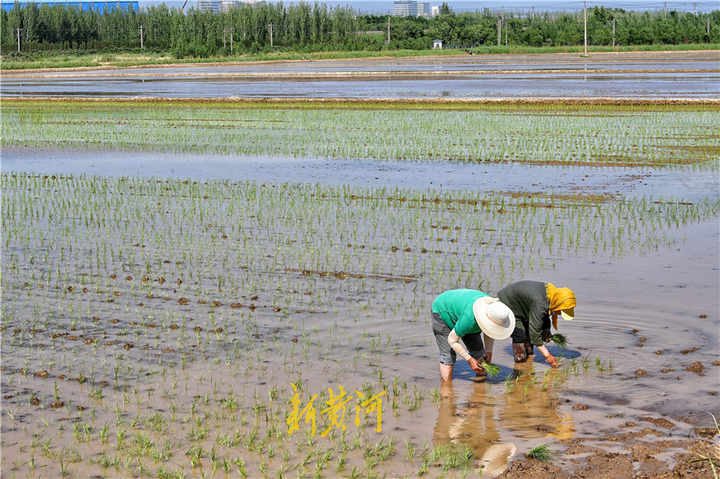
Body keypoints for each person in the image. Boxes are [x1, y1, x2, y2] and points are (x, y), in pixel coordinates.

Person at [432, 289, 515, 381]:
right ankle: (447, 390)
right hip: (443, 311)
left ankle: (481, 387)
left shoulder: (494, 310)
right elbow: (452, 340)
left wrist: (489, 351)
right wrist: (469, 360)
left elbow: (491, 331)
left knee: (479, 353)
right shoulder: (469, 320)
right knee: (448, 355)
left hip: (464, 313)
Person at [496, 281, 576, 368]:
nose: (560, 314)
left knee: (529, 335)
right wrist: (548, 356)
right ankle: (520, 367)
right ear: (557, 304)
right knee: (520, 336)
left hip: (523, 304)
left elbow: (544, 314)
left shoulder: (551, 295)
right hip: (508, 303)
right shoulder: (540, 303)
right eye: (561, 311)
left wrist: (546, 329)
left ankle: (529, 362)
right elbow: (534, 332)